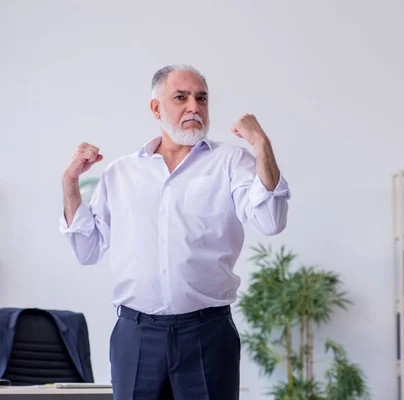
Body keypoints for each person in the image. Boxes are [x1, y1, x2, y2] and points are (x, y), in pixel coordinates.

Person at [59, 64, 290, 400]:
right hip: (135, 336)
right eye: (181, 97)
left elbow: (271, 220)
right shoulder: (121, 172)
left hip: (208, 334)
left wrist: (261, 143)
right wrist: (70, 183)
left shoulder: (231, 162)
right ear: (157, 108)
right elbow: (87, 250)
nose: (194, 107)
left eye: (201, 98)